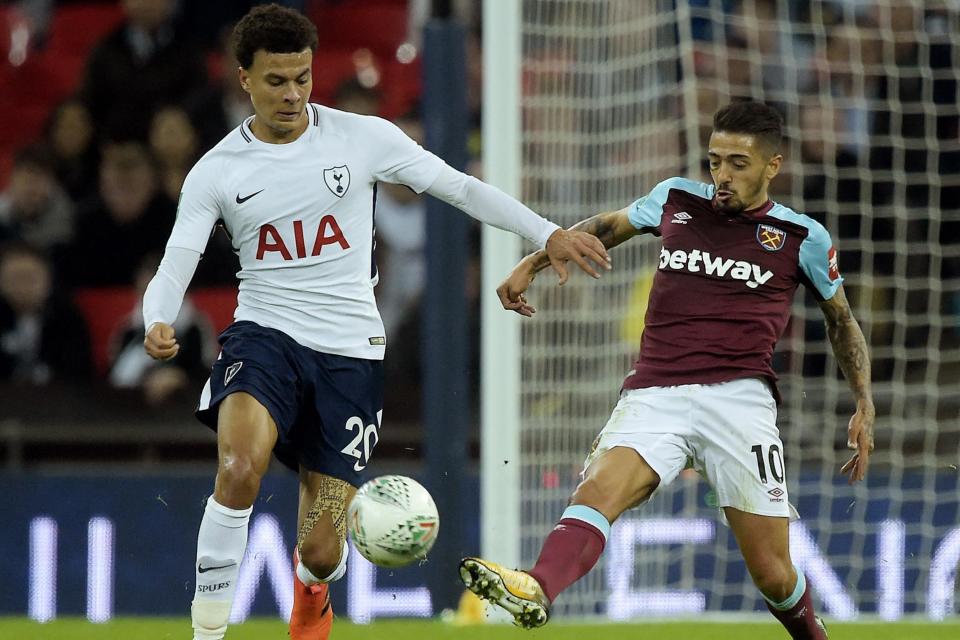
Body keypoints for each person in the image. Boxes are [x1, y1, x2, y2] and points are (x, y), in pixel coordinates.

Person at [139, 5, 609, 640]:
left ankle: (311, 597)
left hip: (349, 358)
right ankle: (207, 634)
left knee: (322, 552)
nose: (292, 94)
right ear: (243, 77)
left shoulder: (362, 138)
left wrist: (547, 232)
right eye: (276, 80)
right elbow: (176, 261)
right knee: (237, 470)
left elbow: (460, 187)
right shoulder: (217, 171)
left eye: (302, 78)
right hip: (264, 337)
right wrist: (157, 318)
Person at [459, 101, 875, 640]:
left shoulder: (801, 238)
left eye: (738, 164)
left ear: (774, 165)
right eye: (715, 161)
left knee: (773, 574)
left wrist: (863, 400)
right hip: (655, 390)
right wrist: (534, 259)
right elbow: (605, 227)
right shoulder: (676, 198)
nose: (722, 176)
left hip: (740, 401)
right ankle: (537, 587)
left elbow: (840, 321)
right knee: (596, 492)